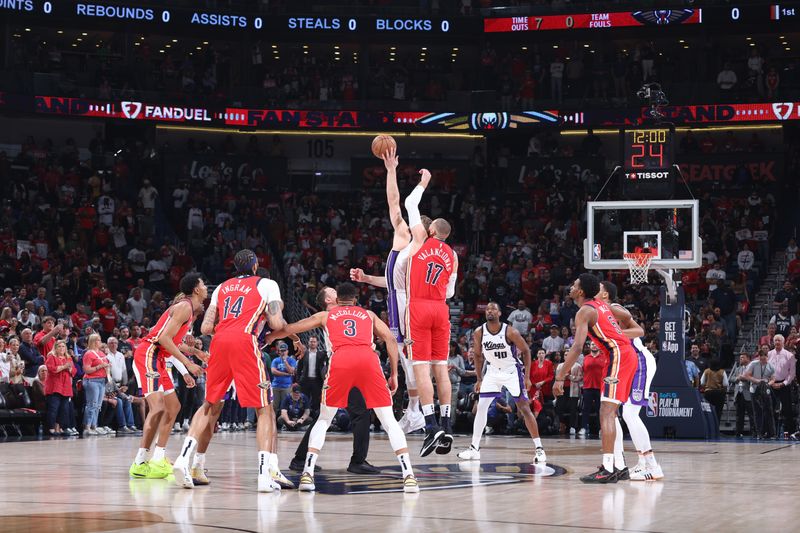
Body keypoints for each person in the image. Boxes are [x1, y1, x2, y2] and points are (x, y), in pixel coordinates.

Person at [266, 282, 419, 493]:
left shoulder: (325, 316)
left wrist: (272, 336)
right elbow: (391, 339)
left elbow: (292, 327)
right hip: (368, 360)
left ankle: (307, 475)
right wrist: (393, 373)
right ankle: (409, 476)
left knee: (324, 419)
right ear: (356, 299)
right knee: (388, 420)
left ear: (338, 301)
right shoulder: (369, 314)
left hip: (341, 361)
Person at [172, 250, 290, 492]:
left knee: (209, 404)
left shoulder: (221, 287)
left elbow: (205, 328)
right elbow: (278, 324)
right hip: (245, 342)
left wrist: (228, 330)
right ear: (256, 266)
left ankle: (184, 460)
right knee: (264, 409)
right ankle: (263, 474)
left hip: (220, 341)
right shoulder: (267, 284)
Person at [349, 146, 426, 433]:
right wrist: (368, 278)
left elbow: (394, 203)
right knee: (406, 359)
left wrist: (392, 170)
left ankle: (418, 411)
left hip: (406, 305)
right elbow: (394, 283)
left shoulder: (408, 237)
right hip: (399, 298)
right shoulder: (408, 246)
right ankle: (415, 410)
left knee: (408, 356)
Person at [554, 274, 639, 483]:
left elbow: (576, 347)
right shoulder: (599, 304)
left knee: (606, 412)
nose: (571, 288)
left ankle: (608, 468)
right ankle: (618, 466)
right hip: (622, 355)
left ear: (581, 291)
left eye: (574, 285)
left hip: (618, 356)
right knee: (611, 412)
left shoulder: (585, 311)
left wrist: (560, 375)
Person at [404, 168, 459, 456]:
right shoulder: (453, 255)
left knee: (421, 368)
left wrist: (424, 182)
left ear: (432, 231)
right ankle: (448, 426)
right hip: (441, 308)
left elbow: (410, 205)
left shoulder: (419, 241)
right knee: (441, 368)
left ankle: (431, 425)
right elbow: (450, 292)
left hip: (419, 307)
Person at [128, 275, 205, 480]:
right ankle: (140, 462)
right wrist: (188, 365)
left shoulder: (187, 311)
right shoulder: (185, 307)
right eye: (203, 284)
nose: (206, 287)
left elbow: (172, 342)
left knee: (174, 407)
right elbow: (162, 339)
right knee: (159, 406)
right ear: (196, 289)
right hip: (149, 354)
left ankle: (159, 457)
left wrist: (195, 353)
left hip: (159, 358)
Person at [457, 302, 546, 464]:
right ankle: (474, 448)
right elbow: (477, 356)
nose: (490, 311)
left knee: (524, 408)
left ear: (499, 313)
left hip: (512, 371)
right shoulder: (479, 332)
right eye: (488, 309)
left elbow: (526, 351)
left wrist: (526, 377)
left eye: (493, 309)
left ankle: (539, 449)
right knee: (481, 407)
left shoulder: (510, 331)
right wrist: (479, 378)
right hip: (492, 372)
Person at [598, 281, 663, 481]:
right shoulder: (597, 312)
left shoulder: (614, 308)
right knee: (612, 411)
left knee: (630, 413)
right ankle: (630, 463)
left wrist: (614, 334)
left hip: (639, 361)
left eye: (599, 288)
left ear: (606, 294)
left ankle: (652, 465)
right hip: (623, 364)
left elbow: (639, 331)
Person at [767, 334, 797, 436]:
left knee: (787, 409)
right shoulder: (769, 354)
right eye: (775, 340)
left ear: (783, 342)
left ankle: (791, 432)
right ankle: (770, 432)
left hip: (784, 384)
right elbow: (766, 370)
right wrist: (771, 382)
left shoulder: (790, 355)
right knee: (770, 408)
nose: (777, 342)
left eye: (779, 340)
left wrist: (783, 384)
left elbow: (792, 373)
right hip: (771, 383)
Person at [44, 340, 76, 436]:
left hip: (65, 387)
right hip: (54, 387)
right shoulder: (51, 357)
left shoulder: (68, 358)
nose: (61, 348)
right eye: (59, 346)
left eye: (63, 346)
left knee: (64, 409)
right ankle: (51, 428)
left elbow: (74, 372)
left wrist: (69, 368)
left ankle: (59, 427)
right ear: (56, 348)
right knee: (54, 409)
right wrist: (64, 367)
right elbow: (52, 369)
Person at [82, 333, 111, 436]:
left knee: (98, 406)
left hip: (101, 381)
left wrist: (107, 366)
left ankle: (94, 426)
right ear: (93, 342)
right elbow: (86, 370)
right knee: (92, 405)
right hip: (92, 381)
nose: (100, 342)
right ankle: (87, 427)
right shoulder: (88, 354)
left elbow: (105, 365)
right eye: (98, 340)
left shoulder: (102, 354)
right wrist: (100, 366)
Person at [744, 349, 776, 438]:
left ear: (767, 357)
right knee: (757, 412)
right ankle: (759, 433)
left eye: (764, 359)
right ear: (759, 357)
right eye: (761, 359)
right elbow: (747, 375)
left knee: (769, 411)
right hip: (755, 388)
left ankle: (772, 433)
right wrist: (758, 381)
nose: (763, 361)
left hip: (765, 389)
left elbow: (773, 379)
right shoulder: (753, 364)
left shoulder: (771, 366)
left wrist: (767, 384)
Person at [580, 341, 607, 438]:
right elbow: (582, 371)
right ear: (589, 346)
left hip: (600, 387)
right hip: (587, 387)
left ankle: (601, 429)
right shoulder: (586, 358)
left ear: (599, 346)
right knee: (585, 409)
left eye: (595, 344)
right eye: (592, 344)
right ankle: (583, 428)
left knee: (600, 409)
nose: (594, 345)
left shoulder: (604, 357)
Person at [296, 335, 326, 413]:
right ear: (308, 342)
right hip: (305, 381)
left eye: (314, 342)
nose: (312, 343)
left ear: (317, 343)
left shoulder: (322, 354)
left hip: (317, 381)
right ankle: (304, 416)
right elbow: (299, 368)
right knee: (304, 399)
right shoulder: (304, 354)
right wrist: (298, 380)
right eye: (311, 341)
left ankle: (314, 416)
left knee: (316, 400)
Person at [271, 342, 297, 419]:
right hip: (276, 386)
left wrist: (285, 361)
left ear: (287, 351)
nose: (283, 352)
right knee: (274, 406)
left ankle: (284, 422)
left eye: (284, 351)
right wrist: (285, 374)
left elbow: (291, 371)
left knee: (285, 406)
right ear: (279, 351)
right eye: (281, 351)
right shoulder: (275, 360)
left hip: (286, 386)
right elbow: (273, 371)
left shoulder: (291, 360)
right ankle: (272, 422)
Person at [732, 352, 755, 437]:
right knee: (739, 415)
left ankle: (754, 432)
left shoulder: (752, 369)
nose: (740, 359)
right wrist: (737, 378)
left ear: (748, 359)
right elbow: (731, 378)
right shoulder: (738, 369)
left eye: (742, 357)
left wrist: (746, 378)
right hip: (739, 394)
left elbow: (755, 379)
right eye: (740, 357)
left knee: (751, 415)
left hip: (749, 394)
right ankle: (738, 432)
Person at [701, 359, 729, 428]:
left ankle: (708, 427)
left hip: (708, 393)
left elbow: (702, 382)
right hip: (719, 393)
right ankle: (716, 428)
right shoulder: (722, 371)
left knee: (708, 411)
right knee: (718, 412)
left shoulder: (706, 371)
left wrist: (706, 387)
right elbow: (725, 384)